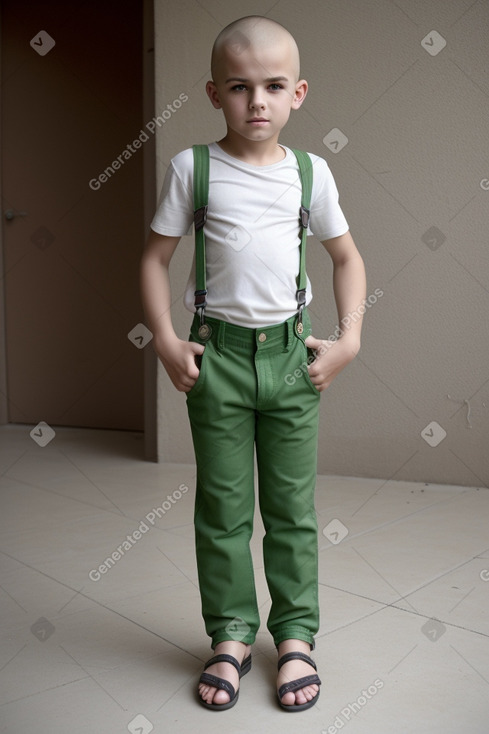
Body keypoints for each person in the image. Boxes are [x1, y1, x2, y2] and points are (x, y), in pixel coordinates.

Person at [140, 15, 366, 712]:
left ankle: (294, 636)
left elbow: (347, 259)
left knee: (293, 510)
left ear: (297, 93)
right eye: (240, 87)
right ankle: (231, 635)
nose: (256, 102)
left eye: (272, 86)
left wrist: (349, 337)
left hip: (292, 359)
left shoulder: (309, 172)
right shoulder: (193, 169)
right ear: (214, 94)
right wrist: (167, 341)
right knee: (224, 509)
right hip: (221, 360)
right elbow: (152, 260)